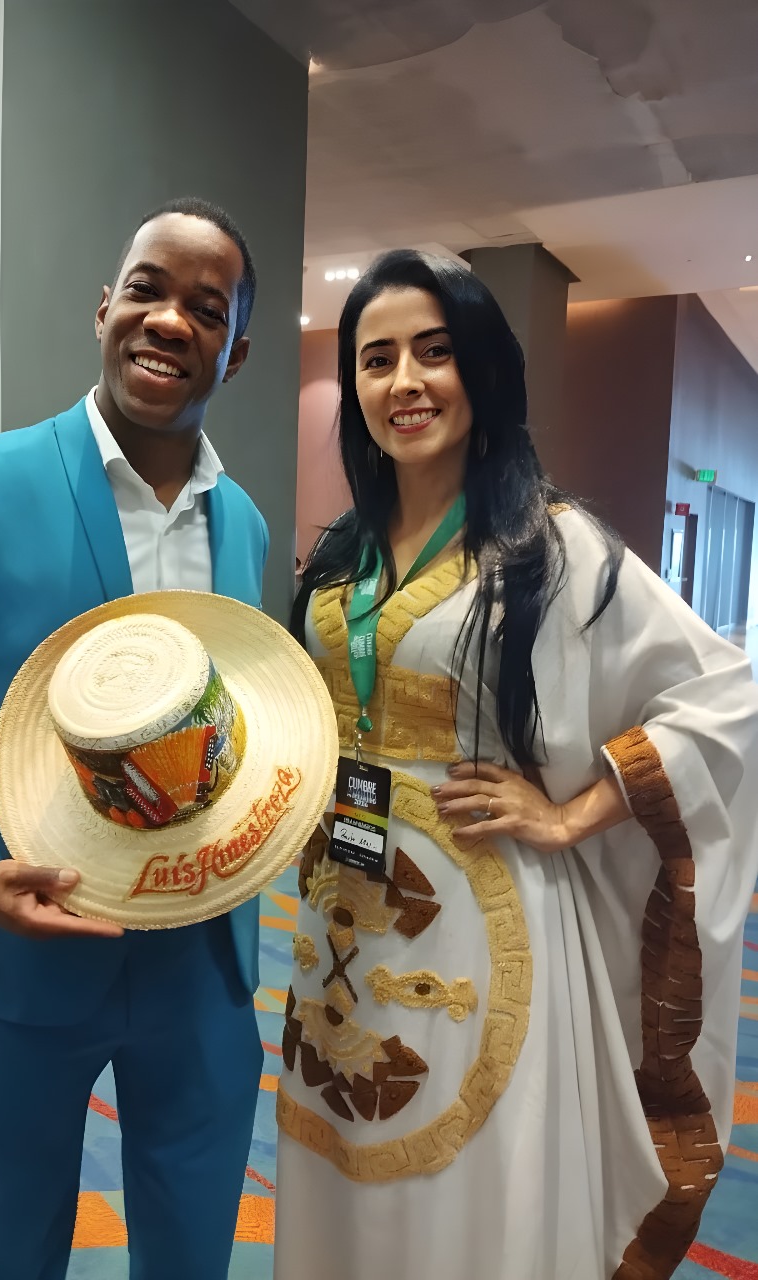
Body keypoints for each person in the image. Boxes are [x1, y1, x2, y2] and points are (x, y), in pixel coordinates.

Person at [275, 250, 758, 1280]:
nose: (403, 381)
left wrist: (574, 813)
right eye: (376, 359)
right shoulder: (342, 552)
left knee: (464, 1182)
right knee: (341, 1137)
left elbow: (729, 695)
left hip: (478, 925)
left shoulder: (550, 546)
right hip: (342, 911)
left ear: (484, 369)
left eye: (434, 351)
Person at [0, 197, 268, 1280]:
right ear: (105, 309)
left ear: (235, 350)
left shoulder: (242, 523)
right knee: (5, 1245)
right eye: (146, 289)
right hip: (29, 933)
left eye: (206, 308)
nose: (169, 320)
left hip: (201, 955)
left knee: (193, 1248)